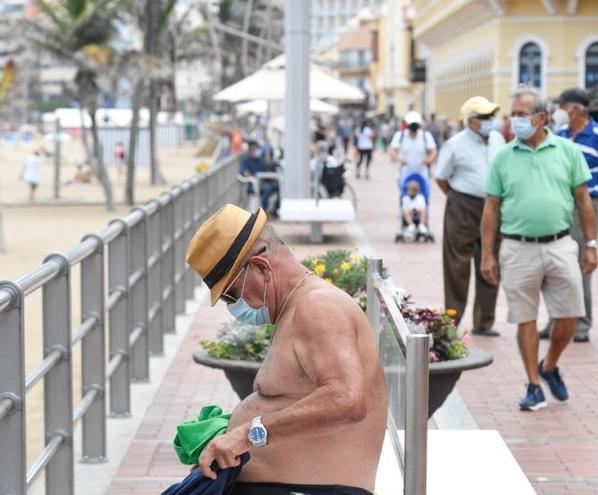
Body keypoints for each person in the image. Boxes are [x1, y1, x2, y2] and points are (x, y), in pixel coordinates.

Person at [185, 205, 387, 494]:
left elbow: (347, 400)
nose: (234, 305)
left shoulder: (318, 307)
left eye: (232, 293)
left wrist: (246, 434)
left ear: (261, 267)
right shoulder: (297, 306)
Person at [481, 86, 598, 411]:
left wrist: (590, 244)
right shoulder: (504, 156)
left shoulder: (568, 151)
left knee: (571, 314)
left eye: (522, 113)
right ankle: (533, 383)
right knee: (525, 318)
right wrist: (488, 254)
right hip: (517, 248)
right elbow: (491, 208)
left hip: (561, 243)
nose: (515, 119)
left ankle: (550, 366)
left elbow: (584, 200)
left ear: (542, 117)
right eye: (513, 113)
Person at [540, 88, 598, 343]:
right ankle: (555, 319)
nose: (558, 111)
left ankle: (582, 323)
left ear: (574, 108)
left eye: (562, 106)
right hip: (559, 204)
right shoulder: (560, 134)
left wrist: (593, 204)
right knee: (555, 262)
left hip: (586, 203)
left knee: (584, 261)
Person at [435, 96, 505, 337]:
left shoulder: (498, 139)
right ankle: (453, 321)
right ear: (471, 121)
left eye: (491, 117)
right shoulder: (455, 144)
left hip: (493, 206)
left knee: (490, 259)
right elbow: (442, 179)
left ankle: (484, 321)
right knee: (457, 265)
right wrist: (458, 201)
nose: (490, 122)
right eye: (484, 117)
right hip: (463, 205)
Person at [389, 111, 438, 187]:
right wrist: (399, 159)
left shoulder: (426, 136)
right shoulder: (400, 135)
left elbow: (434, 151)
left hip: (422, 174)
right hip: (404, 174)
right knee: (405, 197)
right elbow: (392, 150)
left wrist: (429, 160)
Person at [239, 141, 277, 213]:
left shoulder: (261, 161)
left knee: (275, 186)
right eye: (254, 149)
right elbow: (245, 173)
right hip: (252, 185)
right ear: (250, 150)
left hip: (263, 183)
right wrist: (256, 180)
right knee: (267, 189)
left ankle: (271, 210)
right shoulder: (246, 161)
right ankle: (261, 211)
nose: (256, 151)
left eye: (257, 149)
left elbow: (265, 172)